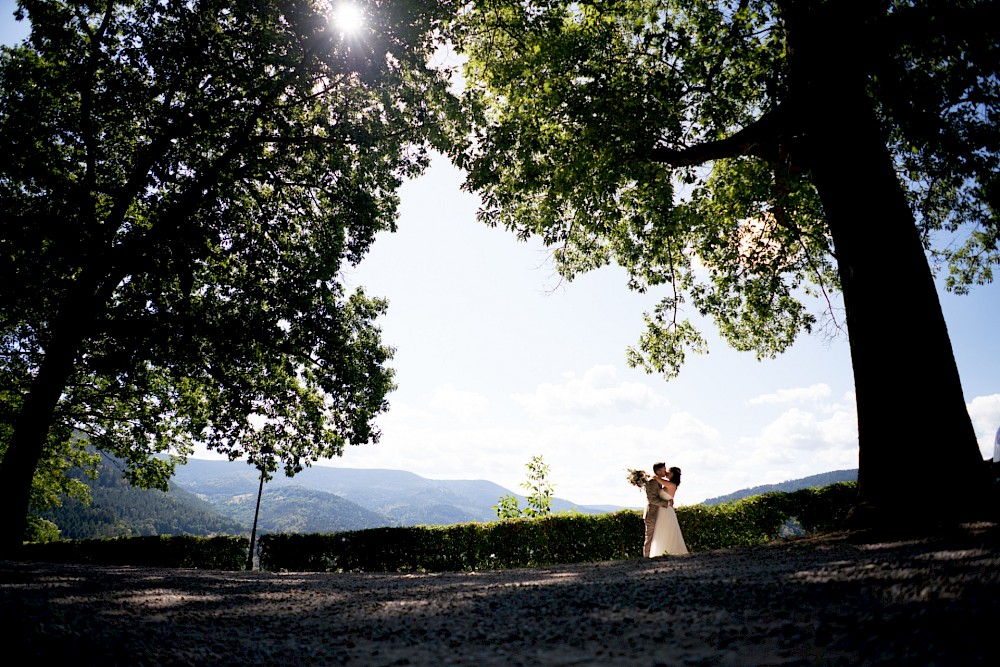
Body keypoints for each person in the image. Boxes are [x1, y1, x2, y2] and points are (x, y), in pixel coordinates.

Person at [648, 466, 688, 557]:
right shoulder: (669, 484)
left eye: (668, 471)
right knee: (662, 531)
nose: (666, 472)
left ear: (673, 474)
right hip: (663, 510)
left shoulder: (671, 485)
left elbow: (656, 478)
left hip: (666, 511)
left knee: (666, 531)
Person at [642, 462, 674, 557]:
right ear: (658, 471)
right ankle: (646, 558)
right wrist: (666, 503)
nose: (666, 471)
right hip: (652, 514)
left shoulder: (658, 481)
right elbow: (652, 499)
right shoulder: (652, 482)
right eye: (664, 469)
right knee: (650, 537)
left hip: (658, 514)